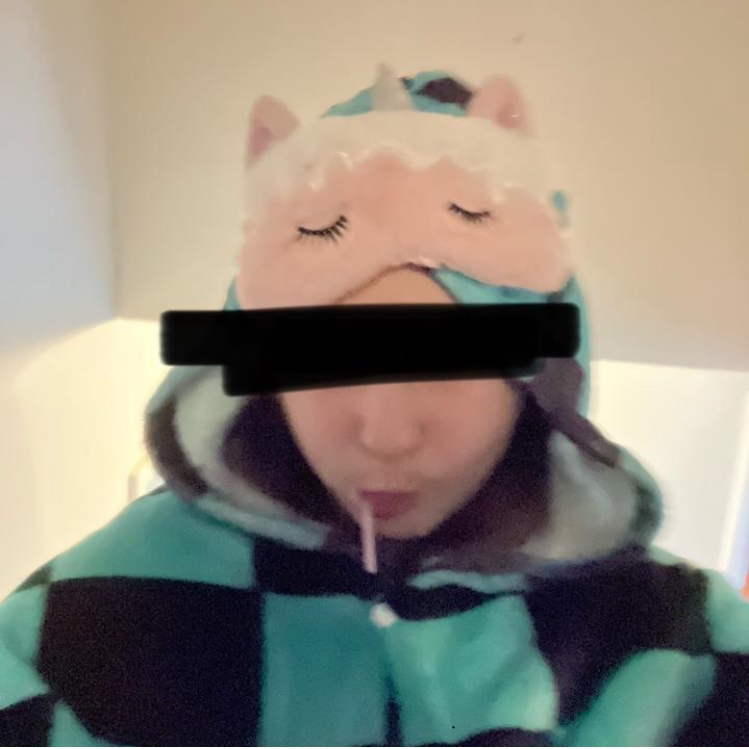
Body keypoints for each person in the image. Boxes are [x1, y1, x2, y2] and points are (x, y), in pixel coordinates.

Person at [1, 66, 748, 748]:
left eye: (451, 362)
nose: (386, 434)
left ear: (536, 380)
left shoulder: (681, 644)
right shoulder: (81, 620)